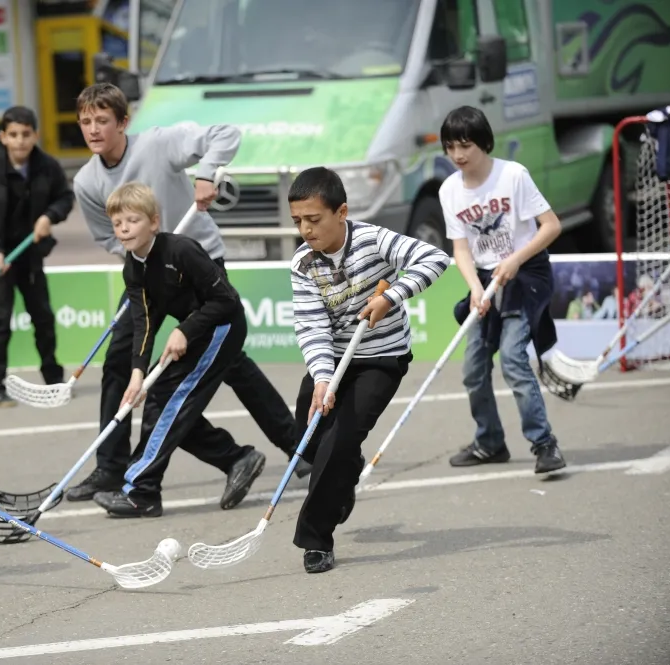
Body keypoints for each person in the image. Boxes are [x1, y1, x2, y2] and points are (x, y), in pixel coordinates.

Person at [68, 82, 302, 501]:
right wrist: (143, 253)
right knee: (123, 361)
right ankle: (111, 467)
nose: (93, 129)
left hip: (198, 265)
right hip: (148, 274)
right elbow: (106, 236)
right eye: (86, 121)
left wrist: (207, 173)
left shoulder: (159, 144)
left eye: (102, 120)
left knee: (227, 364)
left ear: (123, 122)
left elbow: (225, 134)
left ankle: (296, 449)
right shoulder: (86, 181)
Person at [289, 167, 450, 574]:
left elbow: (435, 258)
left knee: (338, 443)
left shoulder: (373, 239)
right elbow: (312, 327)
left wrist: (391, 296)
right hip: (334, 360)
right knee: (309, 437)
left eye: (314, 219)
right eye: (298, 221)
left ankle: (316, 539)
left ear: (341, 212)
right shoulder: (303, 263)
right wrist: (322, 378)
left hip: (382, 358)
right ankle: (345, 473)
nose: (305, 230)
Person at [93, 182, 266, 517]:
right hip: (197, 331)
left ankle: (141, 491)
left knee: (168, 403)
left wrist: (185, 329)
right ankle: (237, 458)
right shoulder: (133, 267)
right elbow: (144, 324)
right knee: (161, 401)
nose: (124, 229)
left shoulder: (181, 250)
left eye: (133, 220)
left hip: (222, 328)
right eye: (117, 223)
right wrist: (137, 374)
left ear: (153, 222)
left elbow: (226, 299)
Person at [437, 105, 566, 473]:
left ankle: (544, 444)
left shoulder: (513, 176)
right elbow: (461, 249)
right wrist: (474, 289)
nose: (458, 155)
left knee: (512, 359)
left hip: (525, 275)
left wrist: (515, 260)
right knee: (473, 368)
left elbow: (551, 226)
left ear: (484, 143)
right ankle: (490, 442)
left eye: (466, 145)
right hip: (485, 279)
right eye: (451, 147)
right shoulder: (449, 190)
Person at [0, 106, 74, 405]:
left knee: (43, 316)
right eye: (13, 135)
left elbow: (65, 197)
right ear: (3, 137)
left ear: (35, 135)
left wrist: (50, 216)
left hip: (30, 253)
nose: (20, 141)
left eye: (26, 134)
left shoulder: (47, 166)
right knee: (1, 319)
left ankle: (54, 380)